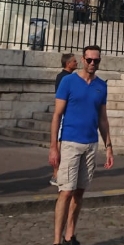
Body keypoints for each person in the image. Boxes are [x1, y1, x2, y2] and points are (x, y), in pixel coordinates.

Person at [48, 45, 114, 245]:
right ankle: (56, 243)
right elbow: (57, 115)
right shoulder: (68, 81)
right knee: (65, 192)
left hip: (90, 144)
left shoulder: (101, 86)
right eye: (89, 60)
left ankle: (70, 237)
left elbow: (103, 119)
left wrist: (109, 146)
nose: (92, 64)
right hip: (70, 142)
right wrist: (53, 147)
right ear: (82, 59)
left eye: (96, 60)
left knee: (79, 192)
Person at [50, 53, 78, 187]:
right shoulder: (66, 78)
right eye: (74, 61)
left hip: (67, 113)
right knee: (60, 145)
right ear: (68, 63)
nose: (76, 63)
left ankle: (60, 173)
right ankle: (55, 174)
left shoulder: (62, 76)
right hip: (65, 114)